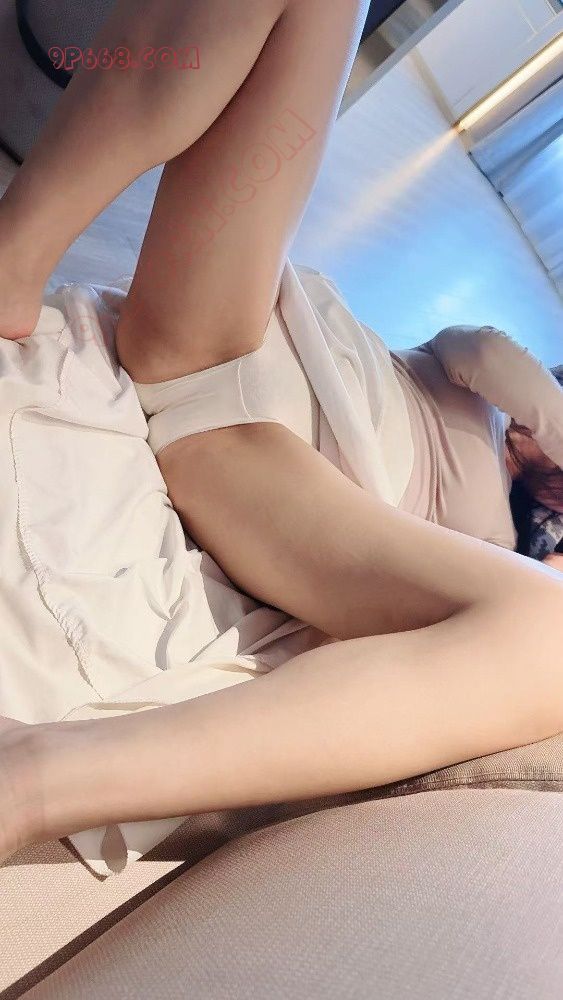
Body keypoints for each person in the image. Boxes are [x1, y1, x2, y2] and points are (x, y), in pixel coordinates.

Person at [1, 0, 562, 865]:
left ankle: (32, 779)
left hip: (252, 460)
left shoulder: (525, 551)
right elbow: (474, 350)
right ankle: (13, 256)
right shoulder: (505, 397)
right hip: (241, 335)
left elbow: (493, 636)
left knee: (552, 637)